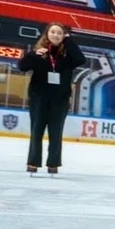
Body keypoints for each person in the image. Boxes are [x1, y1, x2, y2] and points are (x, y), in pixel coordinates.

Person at [18, 23, 86, 174]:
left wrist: (68, 41)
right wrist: (33, 55)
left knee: (56, 132)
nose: (55, 35)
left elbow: (81, 60)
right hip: (39, 98)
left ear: (64, 36)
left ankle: (53, 163)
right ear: (47, 34)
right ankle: (33, 162)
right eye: (53, 32)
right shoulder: (39, 53)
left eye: (59, 33)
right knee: (36, 131)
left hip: (60, 101)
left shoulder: (68, 55)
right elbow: (22, 66)